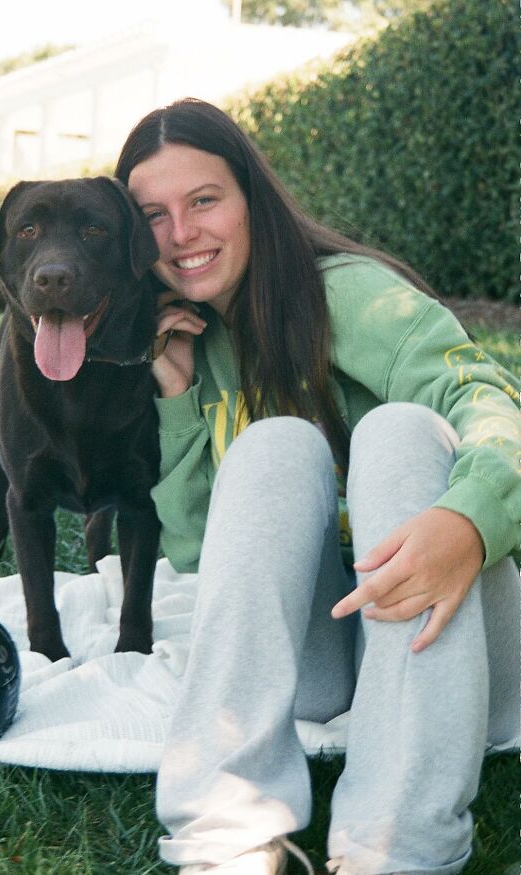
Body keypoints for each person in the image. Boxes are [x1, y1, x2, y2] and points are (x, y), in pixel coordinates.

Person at [114, 97, 520, 874]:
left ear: (251, 201)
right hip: (331, 666)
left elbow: (493, 406)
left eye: (203, 201)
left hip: (465, 651)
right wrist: (173, 393)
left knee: (398, 431)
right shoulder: (196, 341)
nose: (182, 233)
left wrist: (466, 522)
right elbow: (206, 556)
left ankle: (399, 848)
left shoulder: (351, 294)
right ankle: (225, 833)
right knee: (272, 444)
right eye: (154, 215)